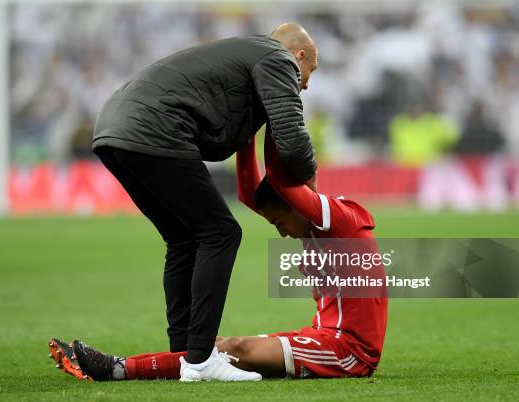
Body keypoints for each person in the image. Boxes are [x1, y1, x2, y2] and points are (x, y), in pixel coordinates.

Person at [48, 133, 388, 381]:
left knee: (235, 348)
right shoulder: (310, 221)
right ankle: (115, 366)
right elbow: (247, 190)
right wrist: (245, 132)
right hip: (323, 336)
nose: (281, 232)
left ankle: (118, 369)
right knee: (215, 349)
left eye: (279, 221)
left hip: (349, 351)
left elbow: (286, 186)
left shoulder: (339, 218)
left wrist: (274, 108)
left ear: (296, 203)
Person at [89, 22, 319, 381]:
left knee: (183, 238)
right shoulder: (279, 59)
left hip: (113, 129)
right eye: (310, 72)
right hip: (155, 127)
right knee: (221, 232)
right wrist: (313, 190)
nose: (306, 83)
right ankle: (200, 359)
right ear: (299, 56)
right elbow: (292, 138)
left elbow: (231, 141)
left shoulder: (242, 55)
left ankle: (183, 356)